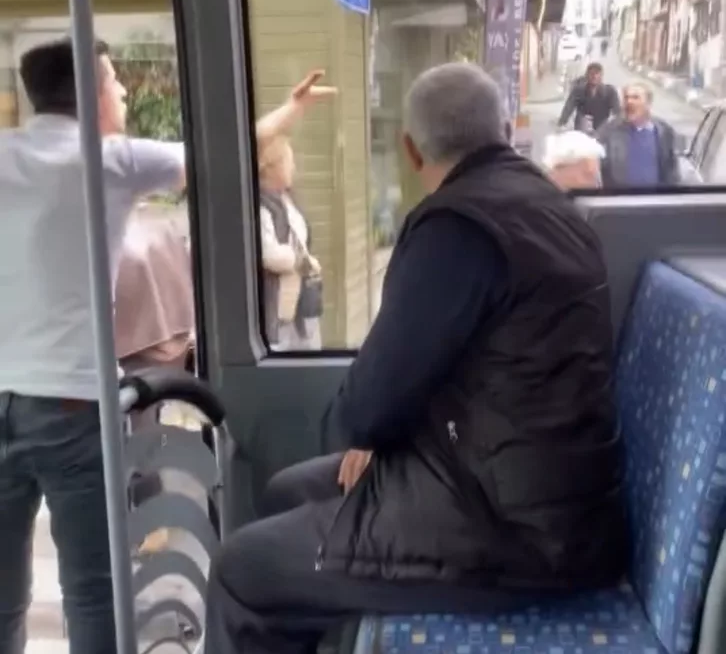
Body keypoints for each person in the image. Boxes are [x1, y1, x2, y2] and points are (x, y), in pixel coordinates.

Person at [203, 62, 626, 654]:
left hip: (511, 531)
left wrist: (370, 434)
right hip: (560, 504)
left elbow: (370, 403)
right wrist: (378, 435)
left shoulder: (455, 227)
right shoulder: (557, 211)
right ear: (504, 131)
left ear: (409, 149)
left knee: (240, 571)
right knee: (289, 490)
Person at [0, 33, 333, 654]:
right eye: (115, 82)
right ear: (92, 93)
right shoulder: (111, 160)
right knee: (93, 592)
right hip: (71, 401)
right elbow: (221, 151)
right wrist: (292, 110)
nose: (125, 93)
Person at [115, 204, 196, 553]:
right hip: (166, 340)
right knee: (143, 432)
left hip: (134, 347)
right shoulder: (155, 221)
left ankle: (153, 522)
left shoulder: (118, 231)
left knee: (136, 438)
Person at [259, 135, 322, 351]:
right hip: (279, 313)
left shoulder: (287, 199)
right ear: (271, 167)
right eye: (289, 162)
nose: (293, 168)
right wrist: (299, 259)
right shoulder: (260, 205)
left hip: (302, 305)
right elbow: (268, 254)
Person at [597, 82, 679, 189]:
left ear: (648, 103)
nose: (629, 101)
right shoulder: (608, 131)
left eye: (635, 97)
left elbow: (672, 173)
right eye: (626, 97)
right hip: (619, 197)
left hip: (655, 197)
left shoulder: (664, 132)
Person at [558, 62, 620, 133]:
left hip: (601, 129)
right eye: (592, 74)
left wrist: (617, 127)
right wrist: (562, 123)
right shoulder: (578, 90)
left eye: (597, 74)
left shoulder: (610, 91)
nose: (594, 76)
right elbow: (568, 107)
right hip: (582, 128)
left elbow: (617, 112)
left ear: (601, 76)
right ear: (587, 75)